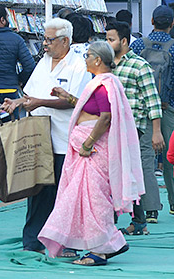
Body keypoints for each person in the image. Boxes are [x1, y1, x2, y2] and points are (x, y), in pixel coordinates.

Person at [37, 40, 142, 266]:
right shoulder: (100, 84)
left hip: (94, 151)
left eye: (87, 56)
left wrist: (88, 143)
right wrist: (68, 97)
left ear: (97, 60)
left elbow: (105, 117)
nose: (84, 60)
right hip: (89, 150)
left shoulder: (104, 85)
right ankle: (104, 245)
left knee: (95, 200)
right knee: (86, 198)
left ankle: (101, 250)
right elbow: (90, 108)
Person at [1, 19, 92, 253]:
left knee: (64, 195)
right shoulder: (43, 62)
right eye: (44, 39)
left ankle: (64, 242)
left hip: (65, 139)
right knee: (37, 191)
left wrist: (40, 102)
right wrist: (18, 101)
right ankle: (33, 240)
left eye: (50, 40)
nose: (45, 44)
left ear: (65, 41)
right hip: (39, 137)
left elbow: (74, 101)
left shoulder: (79, 66)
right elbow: (31, 93)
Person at [131, 6, 174, 217]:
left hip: (144, 107)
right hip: (170, 107)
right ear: (172, 23)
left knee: (145, 157)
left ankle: (150, 209)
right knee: (173, 155)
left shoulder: (138, 45)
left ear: (151, 20)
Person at [105, 21, 164, 234]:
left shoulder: (139, 66)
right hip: (109, 127)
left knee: (126, 174)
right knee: (120, 174)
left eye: (111, 39)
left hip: (133, 128)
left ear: (124, 41)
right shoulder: (106, 65)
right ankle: (136, 222)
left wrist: (156, 132)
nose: (108, 43)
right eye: (106, 39)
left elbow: (152, 100)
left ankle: (132, 222)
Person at [0, 5, 38, 189]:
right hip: (12, 94)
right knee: (14, 137)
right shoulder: (16, 39)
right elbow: (29, 66)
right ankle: (15, 178)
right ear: (4, 20)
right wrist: (18, 81)